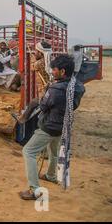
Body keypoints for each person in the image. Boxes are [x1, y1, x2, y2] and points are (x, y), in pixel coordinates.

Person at [19, 54, 85, 200]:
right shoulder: (77, 86)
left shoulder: (56, 89)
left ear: (62, 72)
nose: (52, 72)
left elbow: (43, 106)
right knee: (53, 151)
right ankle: (50, 175)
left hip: (49, 127)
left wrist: (47, 91)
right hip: (63, 126)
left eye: (54, 70)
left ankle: (35, 190)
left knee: (28, 151)